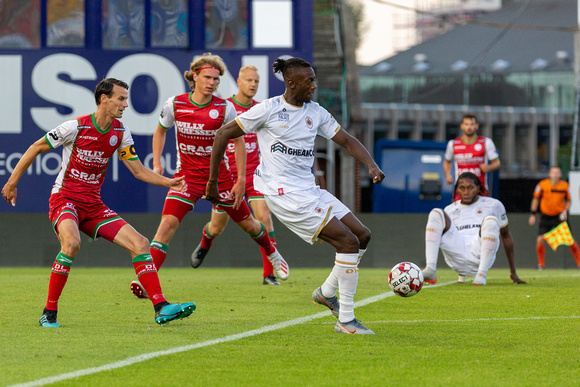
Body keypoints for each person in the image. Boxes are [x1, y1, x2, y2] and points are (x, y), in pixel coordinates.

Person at [204, 57, 386, 335]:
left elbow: (347, 141)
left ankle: (326, 292)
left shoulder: (317, 112)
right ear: (291, 83)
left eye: (314, 79)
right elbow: (222, 134)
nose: (314, 85)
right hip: (284, 194)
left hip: (310, 190)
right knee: (347, 243)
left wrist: (371, 164)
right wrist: (213, 182)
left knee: (362, 236)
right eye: (309, 81)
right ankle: (346, 320)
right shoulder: (269, 109)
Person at [1, 78, 195, 328]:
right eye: (121, 98)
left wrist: (168, 182)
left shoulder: (120, 132)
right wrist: (11, 183)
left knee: (141, 243)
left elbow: (137, 171)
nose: (126, 104)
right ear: (104, 99)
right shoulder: (76, 127)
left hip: (93, 205)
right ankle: (49, 313)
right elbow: (36, 147)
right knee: (71, 243)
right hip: (65, 199)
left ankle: (161, 307)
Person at [130, 53, 288, 299]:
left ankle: (272, 253)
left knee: (250, 225)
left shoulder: (225, 108)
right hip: (186, 179)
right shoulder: (175, 104)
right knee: (166, 227)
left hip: (220, 179)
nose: (212, 82)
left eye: (216, 79)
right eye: (208, 77)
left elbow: (238, 141)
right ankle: (145, 280)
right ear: (195, 76)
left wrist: (240, 181)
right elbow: (160, 131)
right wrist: (158, 163)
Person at [190, 65, 279, 285]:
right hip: (228, 179)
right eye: (249, 80)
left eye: (256, 81)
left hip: (254, 176)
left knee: (264, 218)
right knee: (217, 227)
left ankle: (269, 274)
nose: (253, 85)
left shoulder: (261, 109)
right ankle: (206, 241)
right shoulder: (225, 108)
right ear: (238, 82)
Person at [422, 172, 526, 286]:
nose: (466, 192)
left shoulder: (493, 205)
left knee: (491, 220)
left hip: (480, 254)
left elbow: (506, 236)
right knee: (436, 213)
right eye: (462, 188)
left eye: (470, 188)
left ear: (478, 188)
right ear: (457, 190)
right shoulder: (450, 209)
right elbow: (451, 236)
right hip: (456, 257)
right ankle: (431, 268)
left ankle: (481, 275)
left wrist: (513, 272)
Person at [529, 166, 580, 269]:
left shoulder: (564, 186)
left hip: (559, 217)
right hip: (546, 216)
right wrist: (533, 214)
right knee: (540, 239)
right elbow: (535, 199)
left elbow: (569, 201)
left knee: (570, 240)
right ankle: (541, 265)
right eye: (553, 172)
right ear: (549, 174)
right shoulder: (542, 185)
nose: (555, 175)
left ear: (560, 175)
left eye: (558, 173)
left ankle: (579, 263)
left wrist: (565, 210)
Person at [443, 114, 500, 196]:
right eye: (466, 124)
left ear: (476, 126)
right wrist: (448, 175)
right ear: (462, 126)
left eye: (472, 124)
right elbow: (447, 161)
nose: (469, 127)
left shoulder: (486, 142)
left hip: (480, 190)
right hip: (461, 190)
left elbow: (497, 163)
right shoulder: (453, 144)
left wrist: (488, 167)